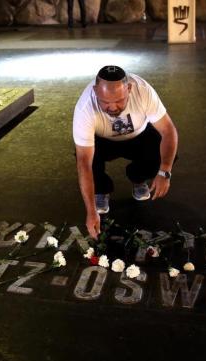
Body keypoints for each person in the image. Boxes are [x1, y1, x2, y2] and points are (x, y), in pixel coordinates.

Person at [73, 65, 178, 239]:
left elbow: (168, 130)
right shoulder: (85, 108)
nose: (112, 107)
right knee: (87, 160)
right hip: (102, 141)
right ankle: (101, 190)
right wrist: (91, 211)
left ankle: (138, 178)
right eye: (105, 102)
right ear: (95, 90)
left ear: (129, 88)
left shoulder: (143, 91)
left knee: (164, 155)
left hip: (138, 136)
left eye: (119, 100)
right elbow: (84, 163)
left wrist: (165, 171)